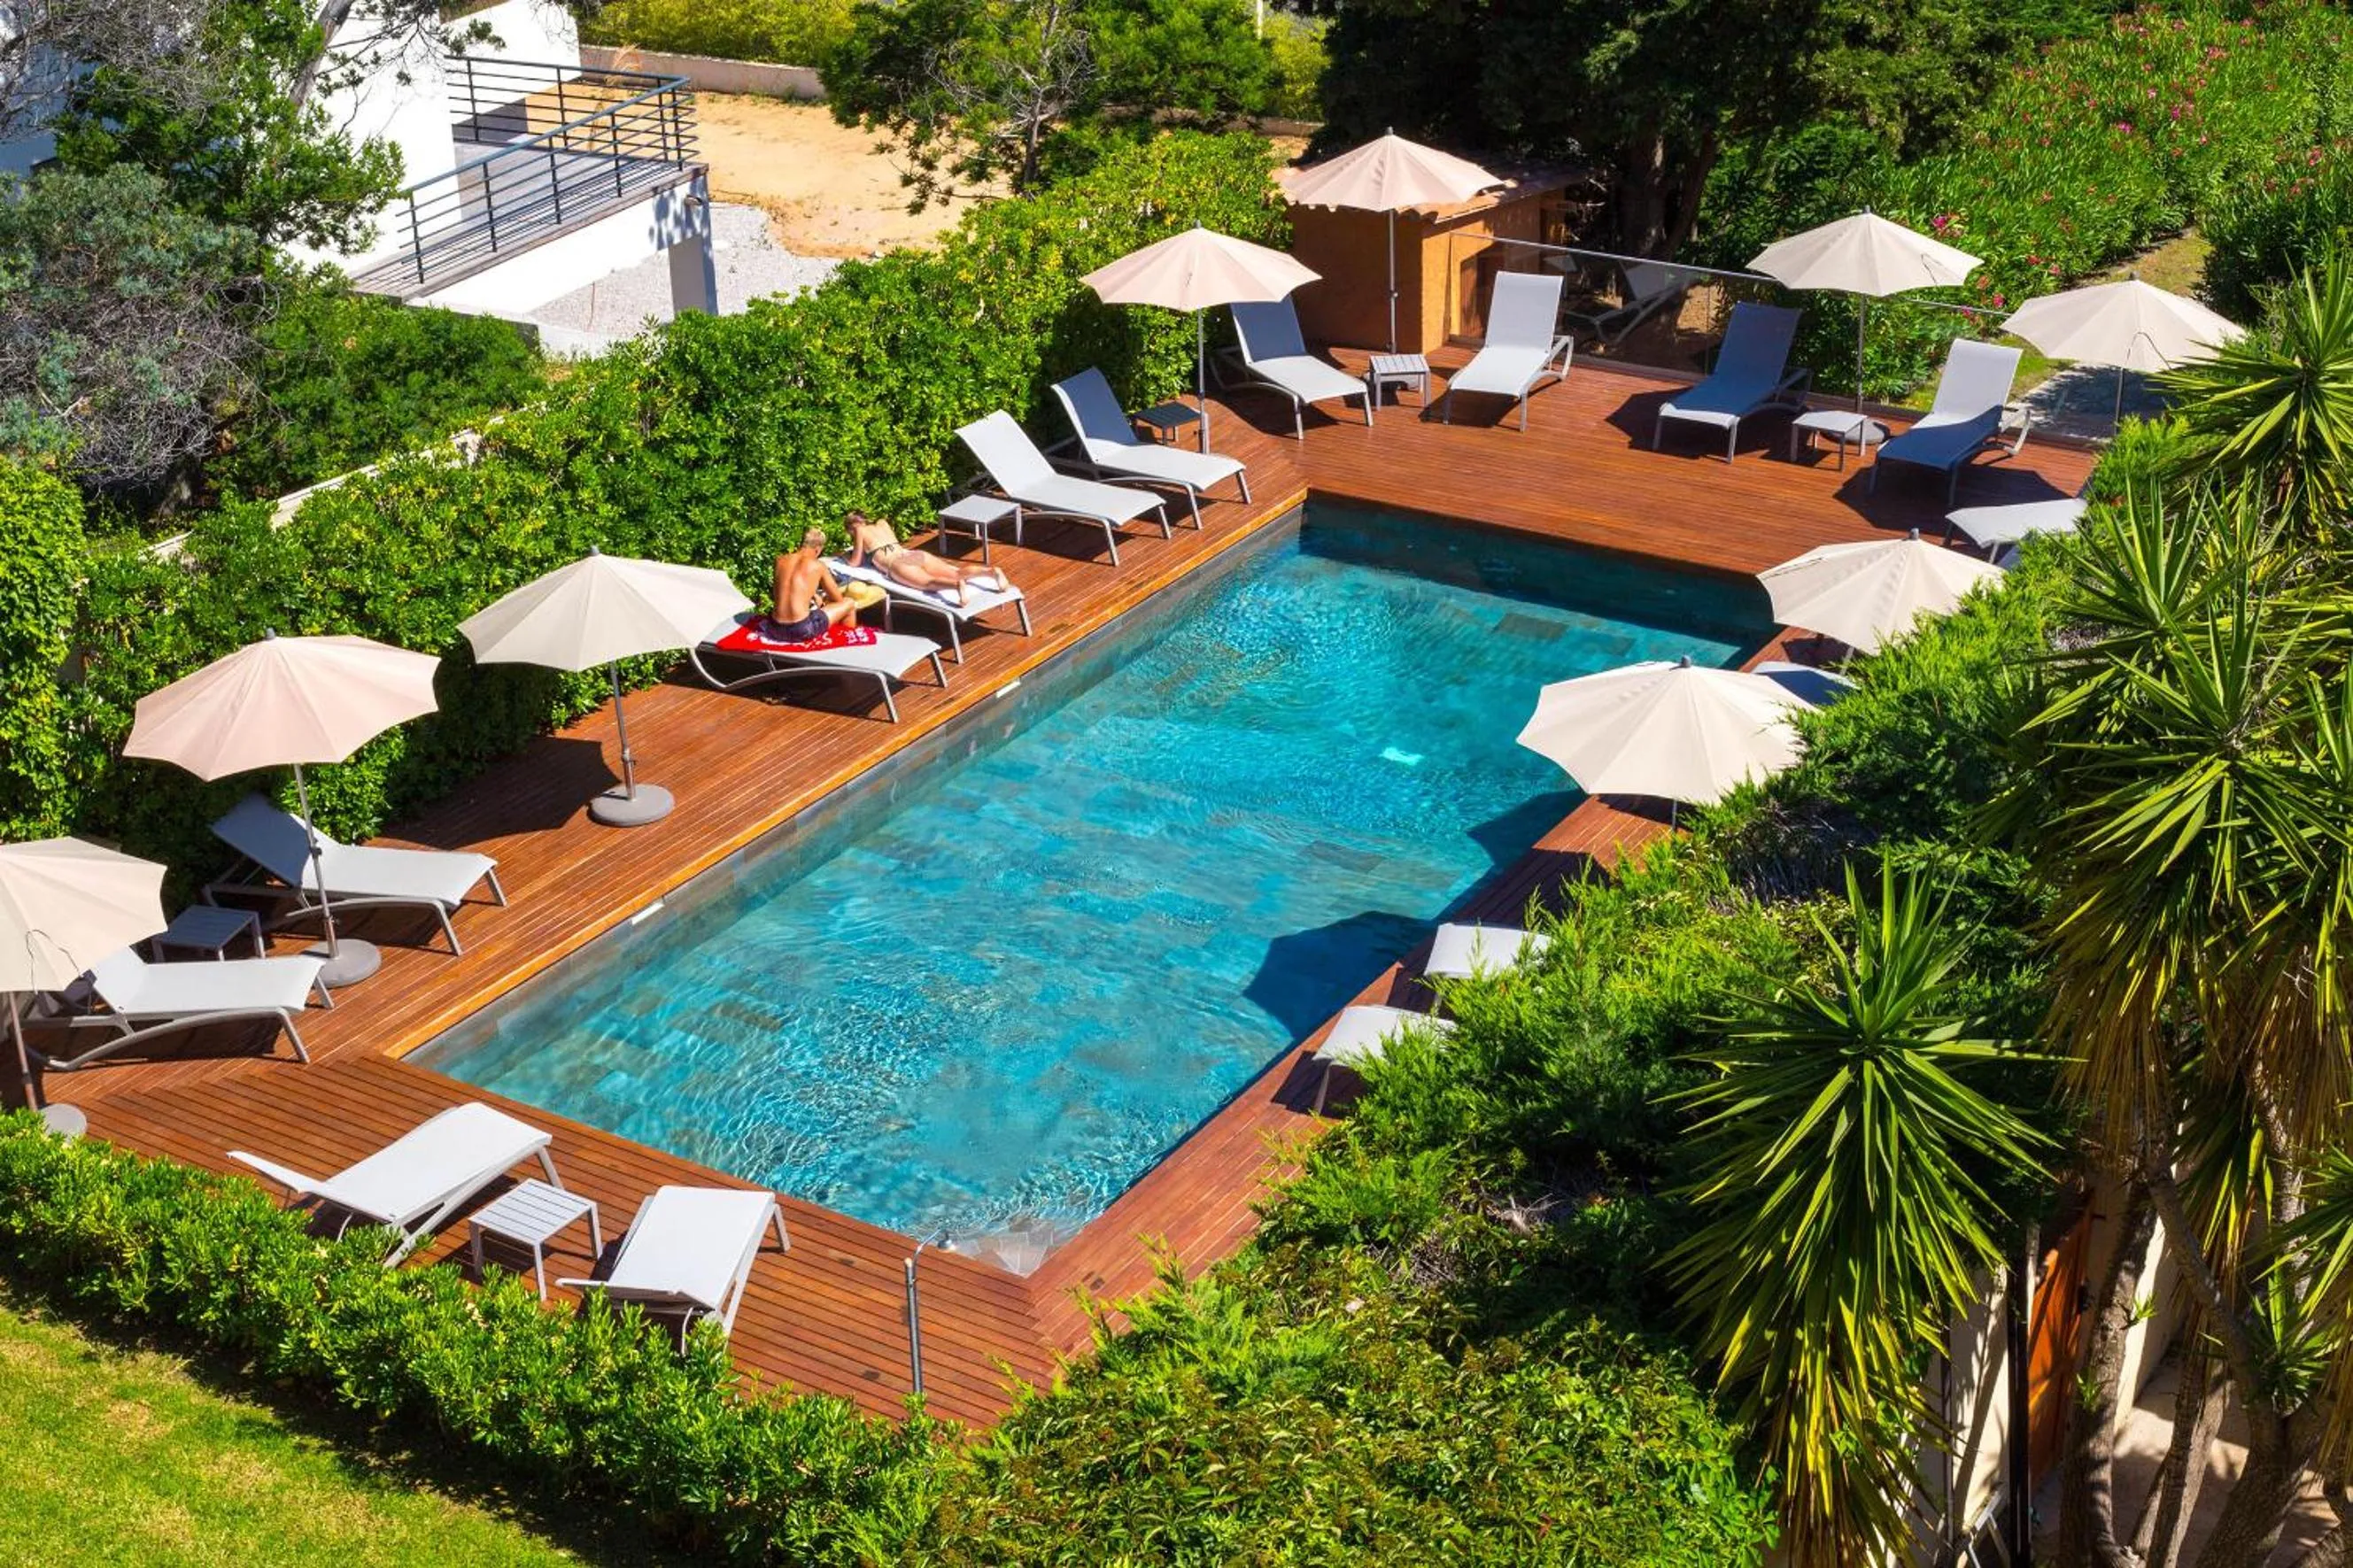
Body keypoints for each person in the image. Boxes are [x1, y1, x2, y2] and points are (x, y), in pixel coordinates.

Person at [847, 512, 1014, 607]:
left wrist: (846, 557)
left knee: (929, 583)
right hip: (912, 555)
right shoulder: (882, 523)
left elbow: (855, 562)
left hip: (896, 564)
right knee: (957, 571)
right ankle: (991, 572)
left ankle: (955, 586)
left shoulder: (859, 531)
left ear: (851, 528)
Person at [770, 527, 855, 641]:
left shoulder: (780, 560)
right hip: (800, 629)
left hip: (775, 627)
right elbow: (837, 599)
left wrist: (813, 595)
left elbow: (782, 591)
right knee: (849, 604)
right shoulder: (818, 565)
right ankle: (845, 646)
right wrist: (823, 601)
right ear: (818, 549)